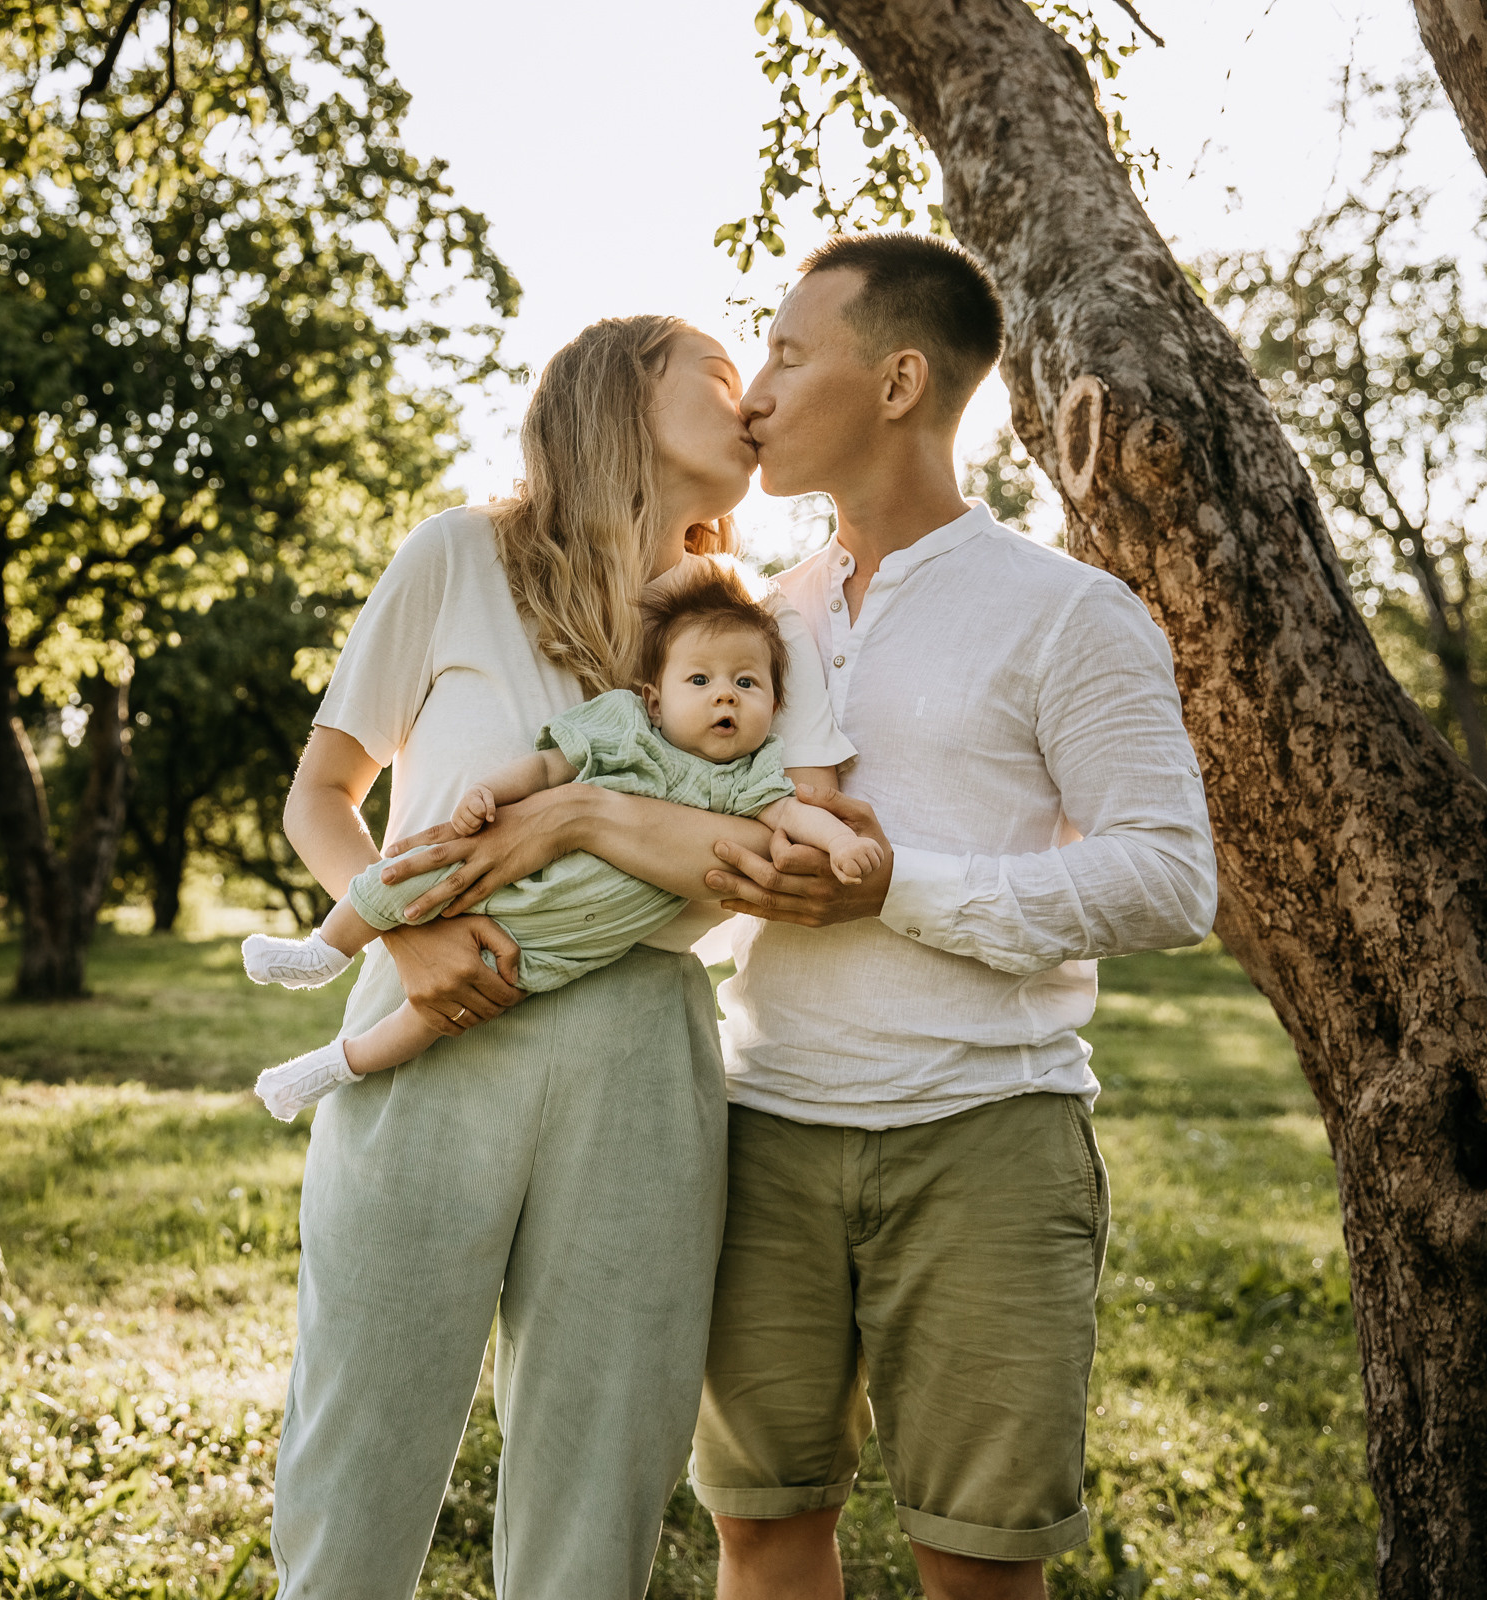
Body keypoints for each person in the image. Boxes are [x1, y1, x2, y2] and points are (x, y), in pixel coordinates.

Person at [380, 235, 1218, 1600]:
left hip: (987, 1135)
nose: (754, 392)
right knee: (763, 1537)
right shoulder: (753, 621)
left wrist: (901, 885)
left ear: (896, 381)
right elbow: (677, 836)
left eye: (782, 353)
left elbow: (1169, 878)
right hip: (761, 1133)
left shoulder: (1067, 614)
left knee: (979, 1561)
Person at [267, 313, 853, 1600]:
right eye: (714, 372)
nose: (748, 397)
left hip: (643, 1050)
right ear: (618, 393)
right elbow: (323, 796)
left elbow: (755, 864)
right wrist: (410, 936)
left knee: (603, 1461)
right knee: (360, 1435)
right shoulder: (457, 555)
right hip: (433, 1025)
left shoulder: (744, 630)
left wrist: (606, 820)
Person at [241, 558, 878, 1120]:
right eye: (701, 682)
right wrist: (489, 793)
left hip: (565, 944)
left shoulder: (752, 775)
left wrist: (843, 845)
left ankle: (336, 1066)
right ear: (653, 701)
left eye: (747, 685)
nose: (725, 698)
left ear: (772, 704)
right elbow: (549, 767)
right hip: (505, 886)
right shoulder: (626, 728)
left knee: (437, 1017)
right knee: (402, 879)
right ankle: (324, 951)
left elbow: (795, 818)